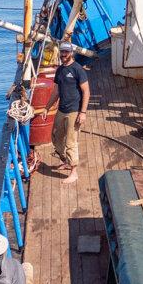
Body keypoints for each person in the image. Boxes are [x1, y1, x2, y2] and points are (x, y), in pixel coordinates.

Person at [49, 41, 90, 185]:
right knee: (56, 137)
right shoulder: (60, 70)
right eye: (62, 52)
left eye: (66, 52)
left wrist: (82, 113)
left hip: (74, 111)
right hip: (61, 110)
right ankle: (66, 161)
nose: (64, 54)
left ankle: (74, 172)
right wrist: (47, 108)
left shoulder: (78, 69)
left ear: (71, 53)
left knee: (71, 142)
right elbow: (56, 91)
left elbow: (86, 92)